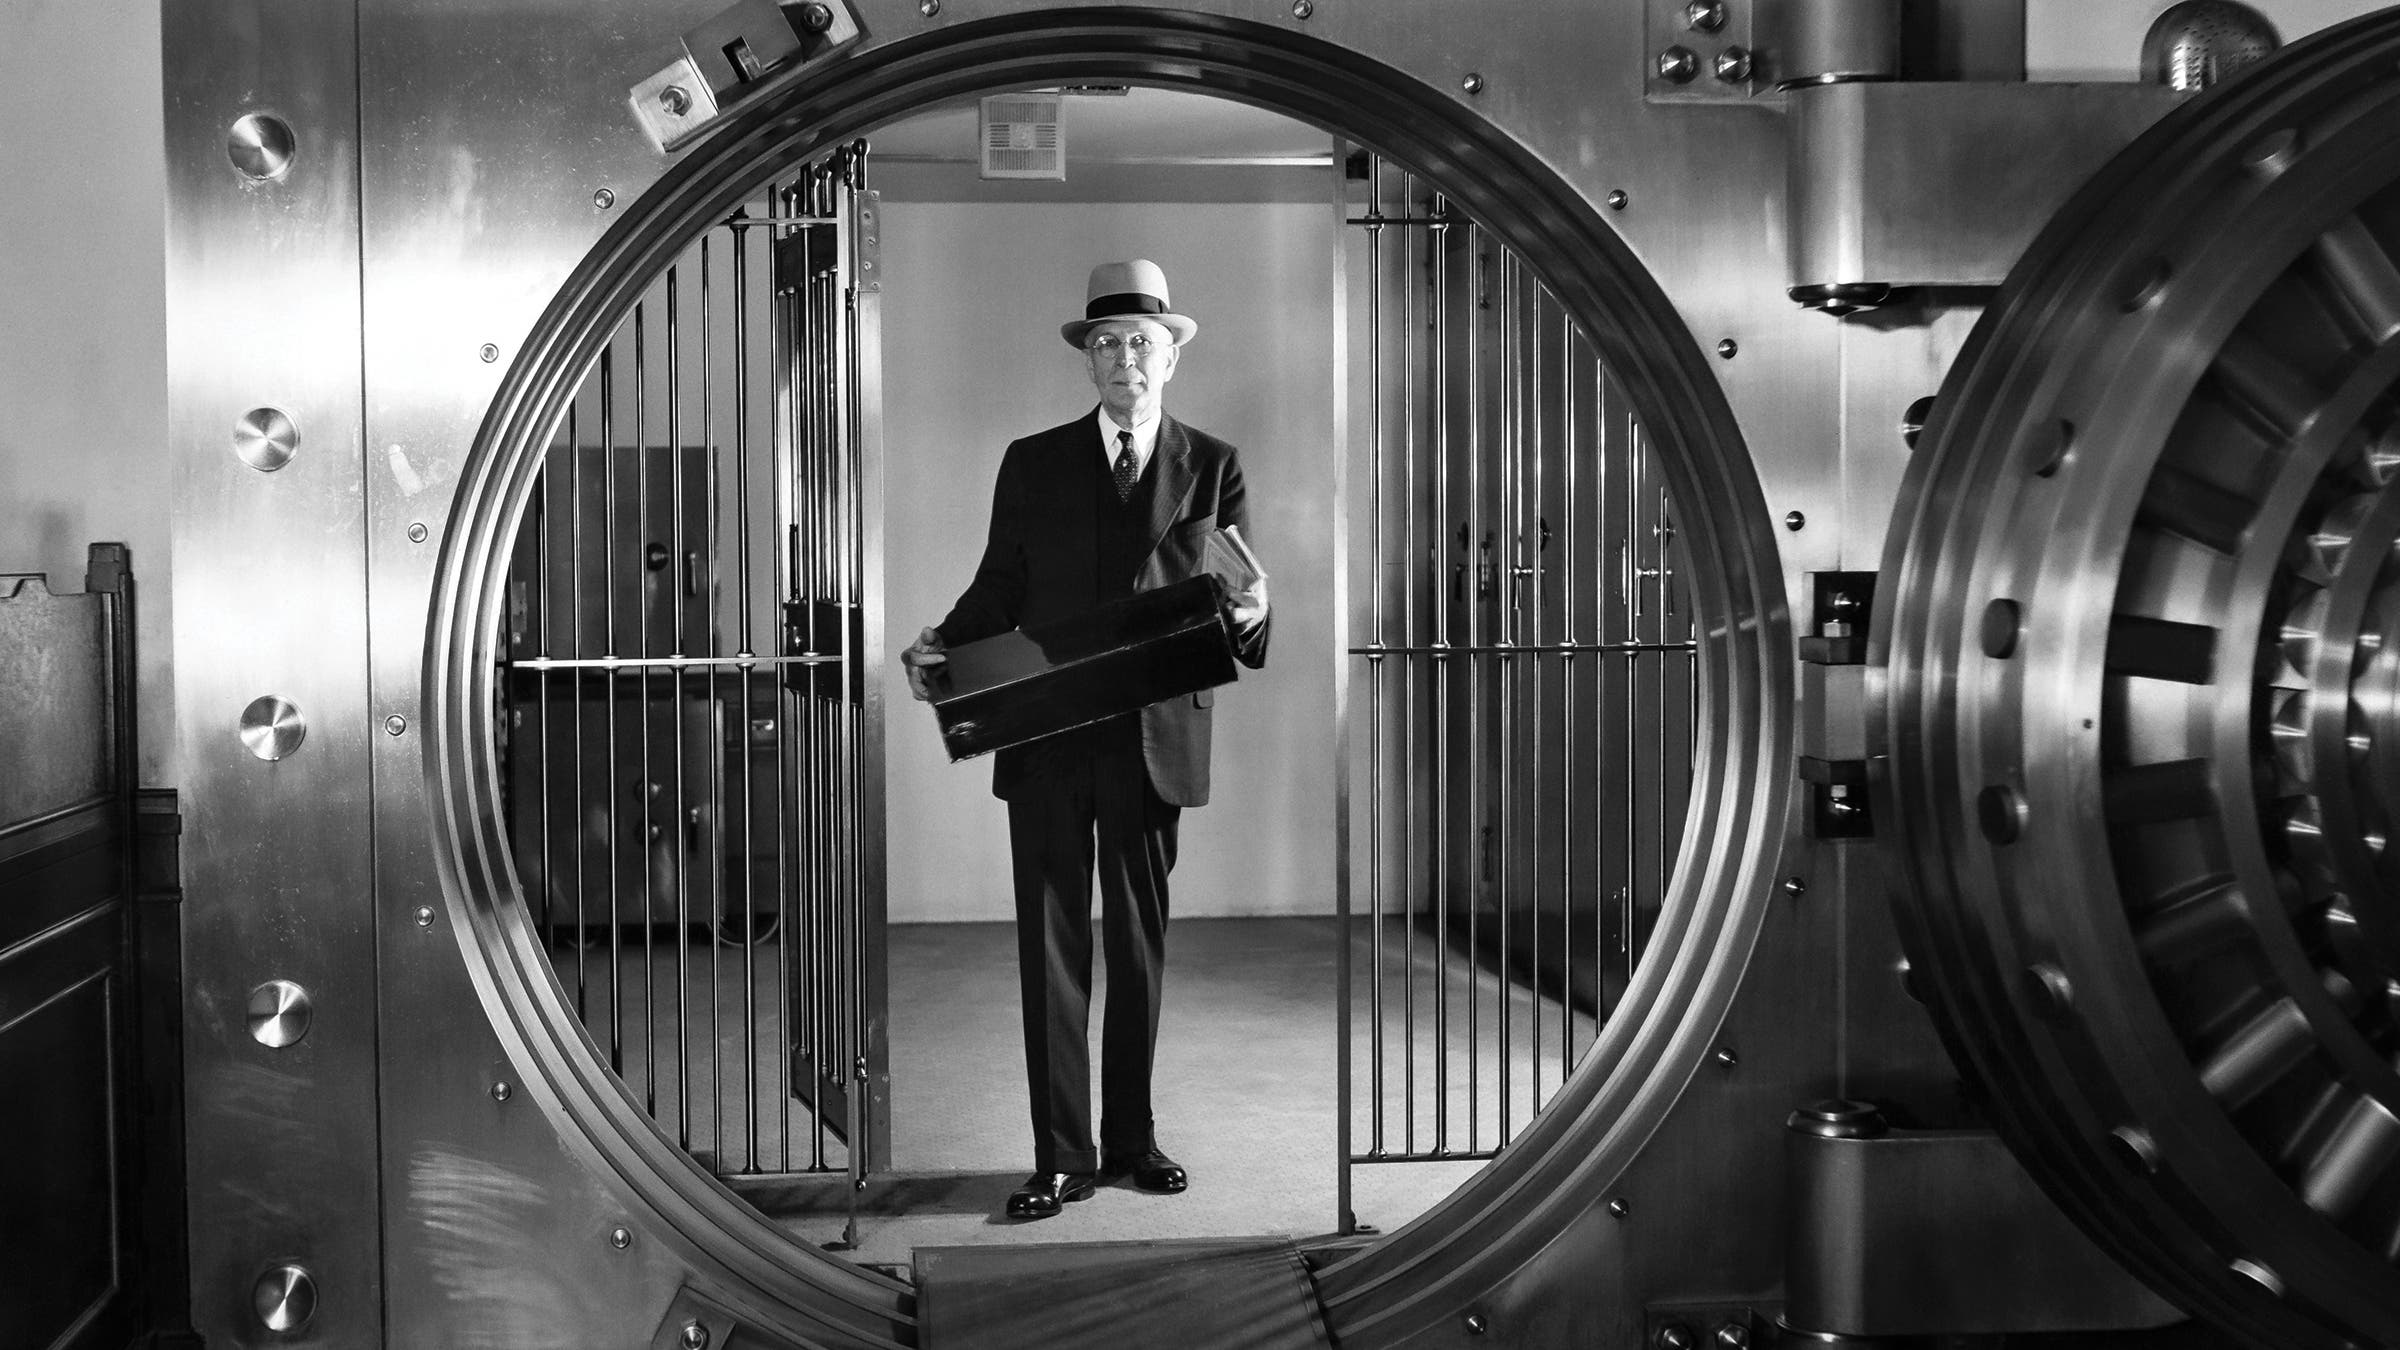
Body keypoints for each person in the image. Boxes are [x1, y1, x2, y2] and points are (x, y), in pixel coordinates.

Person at [901, 259, 1270, 1220]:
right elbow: (997, 590)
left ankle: (1133, 1140)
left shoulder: (1214, 465)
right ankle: (1062, 1154)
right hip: (1052, 734)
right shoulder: (1033, 462)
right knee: (1054, 947)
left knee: (1139, 949)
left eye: (1142, 343)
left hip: (1155, 740)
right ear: (1087, 360)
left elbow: (1236, 609)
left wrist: (1258, 611)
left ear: (1171, 358)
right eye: (1106, 343)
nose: (1124, 359)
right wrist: (942, 647)